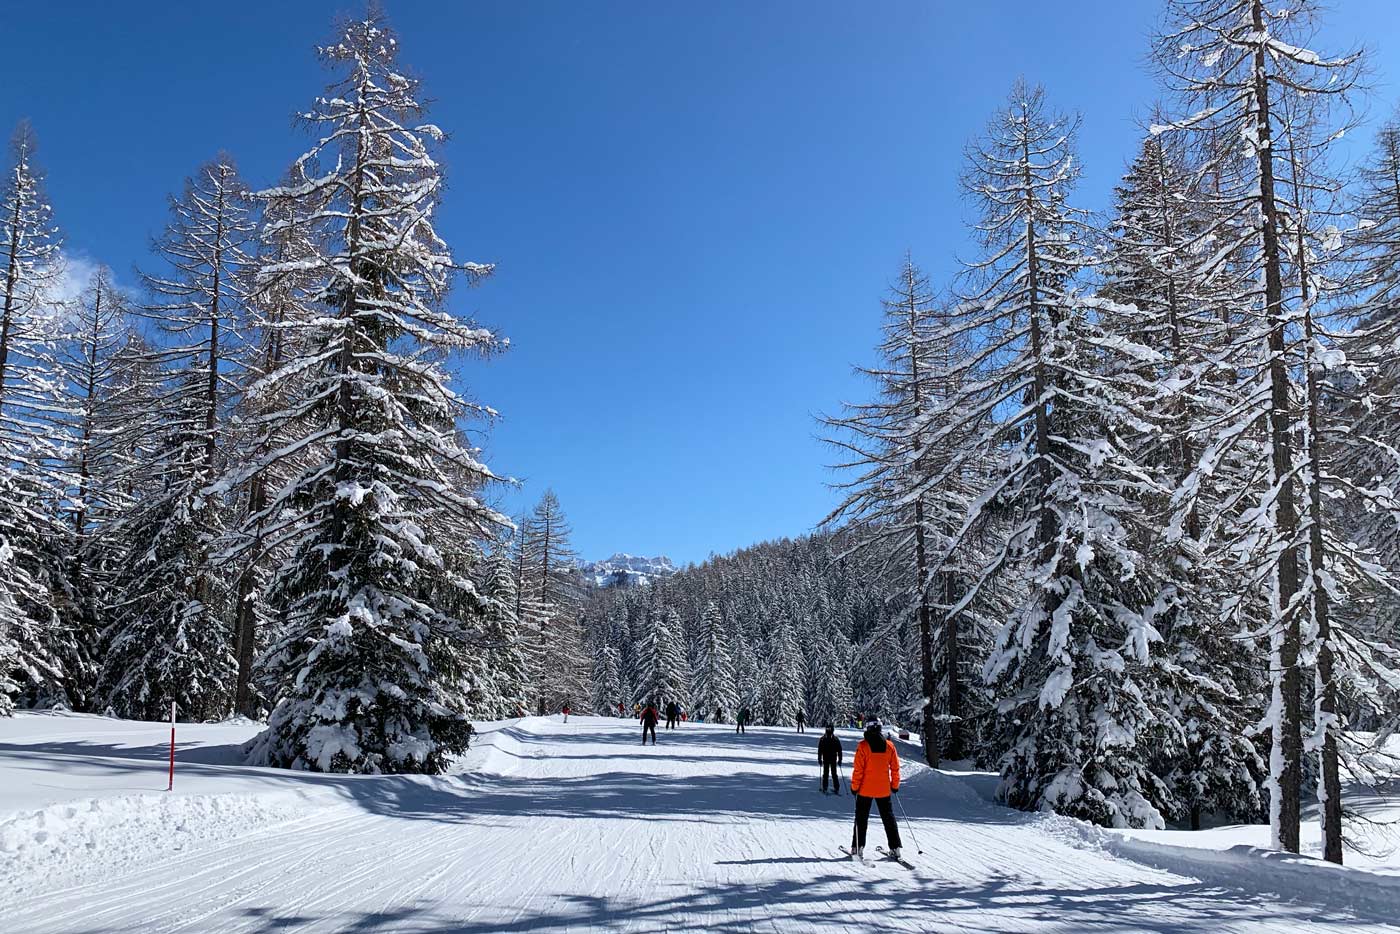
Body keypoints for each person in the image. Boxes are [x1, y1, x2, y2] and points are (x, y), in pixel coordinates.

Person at [849, 718, 902, 861]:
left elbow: (858, 770)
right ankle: (895, 848)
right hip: (883, 790)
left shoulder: (863, 746)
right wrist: (895, 785)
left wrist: (854, 787)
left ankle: (858, 848)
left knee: (861, 818)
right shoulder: (889, 746)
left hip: (865, 789)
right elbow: (895, 769)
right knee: (888, 818)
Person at [818, 723, 843, 794]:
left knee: (833, 774)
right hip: (826, 759)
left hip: (832, 759)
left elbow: (839, 750)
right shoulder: (823, 739)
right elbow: (820, 750)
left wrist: (840, 759)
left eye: (829, 729)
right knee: (826, 774)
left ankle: (836, 788)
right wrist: (819, 759)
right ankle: (825, 787)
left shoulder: (835, 739)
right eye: (827, 729)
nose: (828, 730)